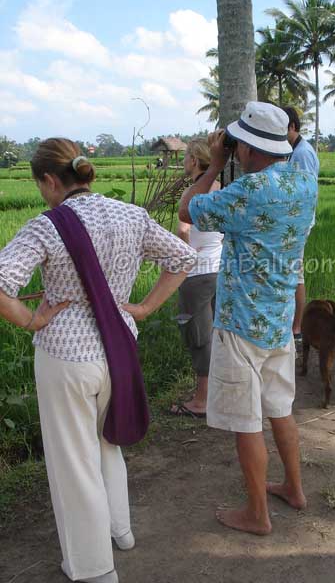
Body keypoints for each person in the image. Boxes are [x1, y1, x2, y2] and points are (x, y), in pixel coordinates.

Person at [0, 138, 196, 583]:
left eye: (40, 186)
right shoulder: (130, 215)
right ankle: (119, 529)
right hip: (118, 350)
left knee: (74, 460)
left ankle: (92, 568)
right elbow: (184, 256)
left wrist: (31, 320)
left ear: (50, 180)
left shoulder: (46, 226)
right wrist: (143, 308)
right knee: (109, 443)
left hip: (67, 356)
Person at [179, 101, 318, 535]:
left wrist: (214, 161)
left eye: (238, 144)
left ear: (249, 148)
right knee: (281, 410)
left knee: (245, 421)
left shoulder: (247, 192)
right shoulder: (304, 182)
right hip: (278, 320)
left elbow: (188, 209)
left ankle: (257, 514)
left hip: (240, 323)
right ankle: (294, 489)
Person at [171, 139, 223, 417]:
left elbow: (182, 229)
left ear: (193, 159)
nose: (183, 162)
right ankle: (214, 393)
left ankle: (201, 400)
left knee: (198, 336)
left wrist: (187, 252)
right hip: (217, 269)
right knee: (214, 332)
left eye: (185, 157)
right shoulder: (219, 188)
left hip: (197, 272)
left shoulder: (194, 191)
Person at [283, 106, 320, 355]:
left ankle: (297, 328)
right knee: (292, 273)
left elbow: (307, 195)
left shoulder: (303, 154)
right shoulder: (293, 151)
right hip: (292, 223)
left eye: (282, 128)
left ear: (293, 127)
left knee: (296, 275)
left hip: (298, 224)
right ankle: (294, 325)